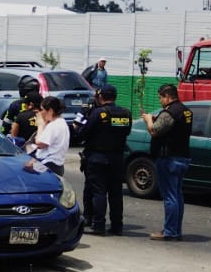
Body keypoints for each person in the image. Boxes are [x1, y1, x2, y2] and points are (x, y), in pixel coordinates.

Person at [77, 84, 132, 236]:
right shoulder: (126, 113)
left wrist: (79, 125)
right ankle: (117, 226)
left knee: (99, 192)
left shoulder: (98, 113)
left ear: (100, 97)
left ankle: (99, 225)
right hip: (117, 158)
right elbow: (126, 132)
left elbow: (83, 133)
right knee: (115, 193)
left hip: (98, 158)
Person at [143, 84, 193, 242]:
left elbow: (154, 131)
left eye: (160, 97)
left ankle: (170, 231)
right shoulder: (186, 111)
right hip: (182, 157)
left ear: (167, 96)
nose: (160, 101)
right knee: (177, 195)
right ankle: (175, 230)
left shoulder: (170, 112)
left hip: (169, 158)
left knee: (170, 196)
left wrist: (148, 120)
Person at [23, 97, 70, 176]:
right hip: (55, 164)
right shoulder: (60, 122)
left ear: (50, 111)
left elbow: (40, 143)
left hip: (49, 165)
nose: (40, 113)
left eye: (42, 110)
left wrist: (40, 125)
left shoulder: (54, 125)